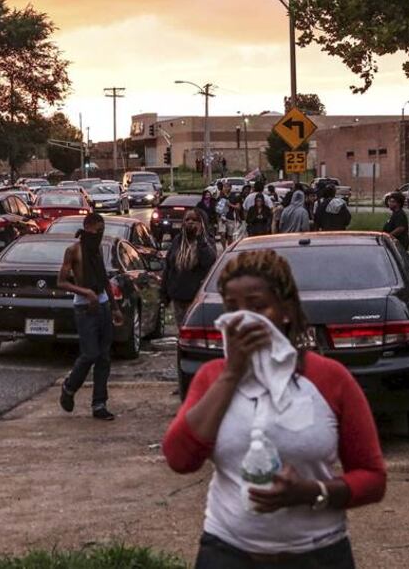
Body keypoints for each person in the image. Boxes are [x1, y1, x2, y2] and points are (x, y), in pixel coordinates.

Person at [163, 249, 386, 567]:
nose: (243, 319)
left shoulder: (329, 379)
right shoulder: (212, 378)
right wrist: (232, 373)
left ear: (285, 311)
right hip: (227, 551)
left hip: (317, 554)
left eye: (256, 306)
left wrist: (311, 492)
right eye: (232, 308)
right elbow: (180, 459)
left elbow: (373, 478)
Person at [57, 212, 124, 421]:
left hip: (103, 305)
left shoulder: (96, 250)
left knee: (104, 356)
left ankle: (99, 403)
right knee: (90, 354)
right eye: (98, 230)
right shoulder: (74, 251)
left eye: (103, 231)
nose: (100, 234)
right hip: (84, 308)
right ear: (87, 228)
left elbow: (104, 279)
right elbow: (61, 282)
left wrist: (114, 307)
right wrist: (85, 292)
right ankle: (69, 387)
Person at [160, 209, 217, 328]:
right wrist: (164, 294)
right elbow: (169, 268)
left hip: (197, 299)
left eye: (194, 220)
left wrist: (200, 238)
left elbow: (209, 261)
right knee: (182, 330)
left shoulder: (207, 241)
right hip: (179, 296)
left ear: (202, 223)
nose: (190, 222)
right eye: (187, 220)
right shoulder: (177, 241)